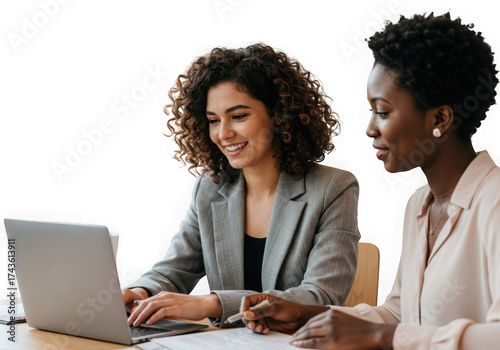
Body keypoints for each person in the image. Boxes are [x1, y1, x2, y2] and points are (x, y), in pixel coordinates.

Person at [239, 12, 500, 349]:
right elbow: (400, 314)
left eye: (383, 111)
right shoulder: (421, 205)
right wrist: (307, 315)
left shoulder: (494, 202)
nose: (371, 129)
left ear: (440, 118)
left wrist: (380, 337)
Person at [123, 43, 361, 328]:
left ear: (279, 115)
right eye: (213, 120)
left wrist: (213, 303)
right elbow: (174, 269)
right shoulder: (209, 189)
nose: (223, 134)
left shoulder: (333, 188)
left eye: (238, 116)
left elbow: (320, 297)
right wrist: (140, 292)